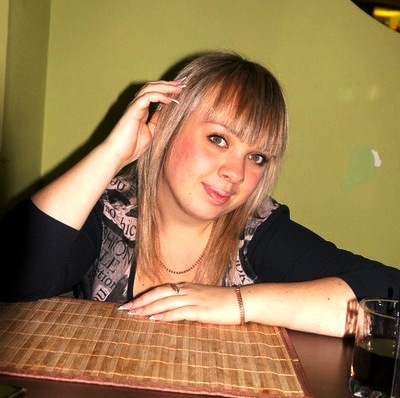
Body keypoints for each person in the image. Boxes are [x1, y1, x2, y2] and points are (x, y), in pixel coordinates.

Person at [0, 51, 399, 338]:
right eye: (218, 139)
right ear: (166, 123)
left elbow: (388, 295)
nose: (236, 173)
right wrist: (112, 154)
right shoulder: (108, 214)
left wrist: (238, 304)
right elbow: (12, 276)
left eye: (257, 157)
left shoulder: (257, 230)